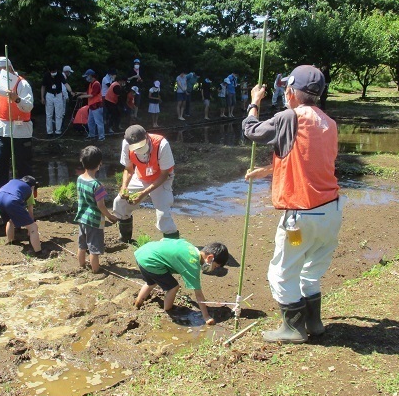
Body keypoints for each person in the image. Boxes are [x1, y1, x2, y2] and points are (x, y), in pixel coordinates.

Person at [242, 65, 343, 344]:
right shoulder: (328, 123)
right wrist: (267, 170)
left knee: (281, 273)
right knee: (311, 271)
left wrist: (254, 102)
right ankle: (315, 322)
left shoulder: (290, 117)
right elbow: (306, 162)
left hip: (302, 216)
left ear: (291, 92)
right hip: (331, 212)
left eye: (287, 87)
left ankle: (293, 328)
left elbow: (250, 130)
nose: (285, 92)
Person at [134, 239, 229, 326]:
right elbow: (198, 294)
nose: (213, 269)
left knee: (151, 283)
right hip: (151, 262)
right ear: (210, 258)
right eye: (215, 266)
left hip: (143, 253)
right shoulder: (192, 264)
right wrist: (206, 316)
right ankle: (169, 310)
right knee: (173, 287)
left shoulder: (190, 247)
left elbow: (165, 240)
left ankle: (137, 304)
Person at [0, 56, 34, 206]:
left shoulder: (22, 84)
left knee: (23, 164)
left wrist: (17, 99)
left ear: (9, 68)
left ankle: (26, 194)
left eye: (0, 69)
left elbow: (29, 106)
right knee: (1, 162)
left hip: (21, 130)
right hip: (4, 129)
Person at [113, 125, 179, 242]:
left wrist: (143, 193)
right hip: (141, 176)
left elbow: (164, 174)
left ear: (147, 136)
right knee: (120, 202)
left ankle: (172, 244)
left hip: (161, 178)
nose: (139, 150)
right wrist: (124, 187)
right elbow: (128, 169)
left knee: (163, 213)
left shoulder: (162, 145)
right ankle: (125, 238)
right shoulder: (126, 144)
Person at [75, 146, 119, 273]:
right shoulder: (97, 185)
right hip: (94, 221)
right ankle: (96, 271)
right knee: (94, 249)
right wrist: (110, 216)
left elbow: (80, 198)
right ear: (99, 163)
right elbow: (101, 206)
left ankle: (82, 266)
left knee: (82, 245)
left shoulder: (79, 179)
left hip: (82, 218)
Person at [0, 176, 43, 256]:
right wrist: (30, 228)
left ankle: (11, 241)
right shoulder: (28, 189)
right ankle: (39, 253)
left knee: (10, 220)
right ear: (33, 186)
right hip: (11, 201)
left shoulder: (13, 181)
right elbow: (30, 212)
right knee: (33, 227)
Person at [40, 65, 70, 136]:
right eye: (52, 71)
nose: (53, 72)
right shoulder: (46, 75)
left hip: (58, 95)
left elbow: (65, 84)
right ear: (49, 71)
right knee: (49, 114)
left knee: (59, 114)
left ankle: (58, 131)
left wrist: (70, 91)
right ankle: (49, 131)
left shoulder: (59, 74)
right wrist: (42, 97)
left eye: (54, 71)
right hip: (49, 95)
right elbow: (43, 86)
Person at [76, 69, 104, 141]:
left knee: (99, 122)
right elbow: (88, 93)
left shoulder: (96, 84)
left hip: (97, 106)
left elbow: (91, 95)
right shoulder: (91, 84)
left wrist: (81, 96)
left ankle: (101, 137)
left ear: (91, 76)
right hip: (92, 106)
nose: (86, 78)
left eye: (87, 76)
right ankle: (92, 135)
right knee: (90, 122)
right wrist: (79, 93)